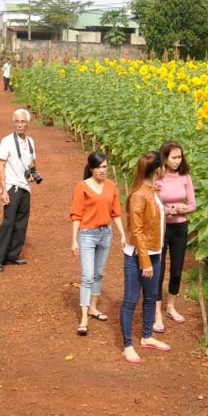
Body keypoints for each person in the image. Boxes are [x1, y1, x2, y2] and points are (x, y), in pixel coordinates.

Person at [120, 151, 172, 363]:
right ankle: (127, 345)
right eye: (163, 166)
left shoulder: (154, 191)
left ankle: (147, 336)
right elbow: (137, 230)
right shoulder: (139, 195)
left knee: (151, 297)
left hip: (155, 253)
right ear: (158, 169)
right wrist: (145, 261)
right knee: (131, 300)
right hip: (138, 256)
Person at [70, 151, 125, 335]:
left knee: (99, 272)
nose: (103, 170)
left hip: (105, 233)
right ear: (92, 169)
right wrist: (74, 240)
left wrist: (123, 235)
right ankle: (84, 317)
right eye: (99, 167)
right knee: (87, 275)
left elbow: (116, 212)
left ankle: (93, 307)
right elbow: (76, 214)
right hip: (87, 234)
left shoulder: (111, 186)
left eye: (105, 167)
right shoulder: (82, 187)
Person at [153, 141, 196, 332]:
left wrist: (184, 208)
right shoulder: (157, 177)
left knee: (177, 271)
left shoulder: (185, 177)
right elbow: (152, 203)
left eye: (180, 157)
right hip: (161, 229)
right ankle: (156, 313)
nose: (178, 161)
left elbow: (193, 204)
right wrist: (168, 210)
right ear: (165, 158)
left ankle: (170, 306)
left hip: (179, 228)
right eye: (174, 158)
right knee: (158, 271)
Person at [0, 109, 37, 271]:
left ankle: (12, 255)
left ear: (28, 123)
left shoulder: (31, 142)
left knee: (21, 223)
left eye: (22, 121)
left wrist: (32, 174)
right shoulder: (7, 141)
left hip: (26, 187)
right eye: (16, 121)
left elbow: (31, 163)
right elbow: (1, 165)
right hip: (12, 186)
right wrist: (3, 191)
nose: (19, 124)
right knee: (8, 222)